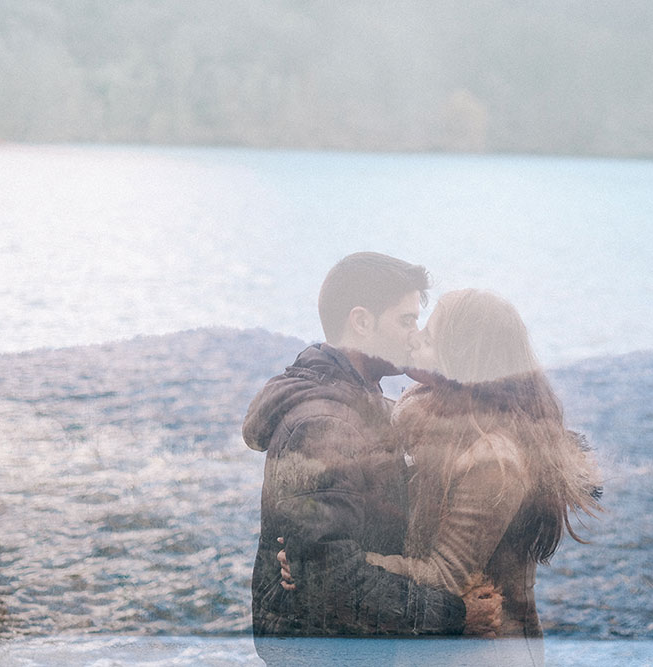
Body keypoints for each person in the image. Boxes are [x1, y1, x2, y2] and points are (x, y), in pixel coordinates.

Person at [242, 253, 499, 651]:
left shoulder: (367, 404)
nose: (415, 335)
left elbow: (335, 557)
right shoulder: (323, 427)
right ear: (361, 322)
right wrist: (455, 616)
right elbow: (333, 582)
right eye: (406, 320)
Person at [361, 288, 603, 664]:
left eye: (429, 335)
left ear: (462, 359)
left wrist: (342, 566)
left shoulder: (492, 461)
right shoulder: (426, 417)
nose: (415, 337)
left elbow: (444, 577)